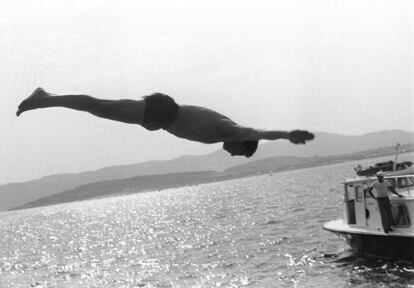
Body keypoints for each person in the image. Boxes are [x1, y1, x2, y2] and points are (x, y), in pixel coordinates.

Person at [16, 88, 315, 157]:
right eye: (237, 152)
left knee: (99, 108)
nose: (230, 153)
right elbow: (258, 132)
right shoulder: (232, 130)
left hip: (160, 118)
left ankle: (47, 98)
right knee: (98, 107)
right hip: (162, 113)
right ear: (241, 142)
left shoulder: (225, 129)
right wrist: (288, 134)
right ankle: (45, 97)